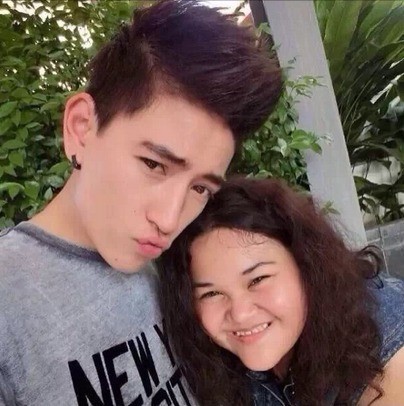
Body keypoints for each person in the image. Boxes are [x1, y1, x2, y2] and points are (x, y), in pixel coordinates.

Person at [0, 1, 282, 404]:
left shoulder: (185, 264)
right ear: (81, 128)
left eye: (200, 189)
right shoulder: (9, 300)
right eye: (153, 164)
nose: (169, 220)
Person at [157, 177, 404, 406]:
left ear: (308, 267)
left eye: (257, 279)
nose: (240, 314)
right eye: (211, 294)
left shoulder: (386, 344)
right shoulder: (213, 360)